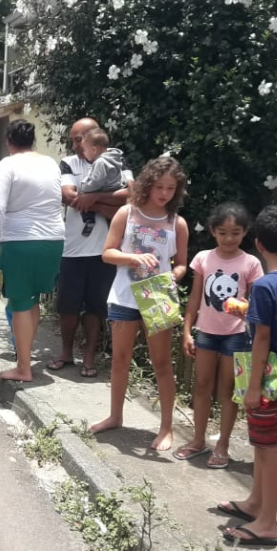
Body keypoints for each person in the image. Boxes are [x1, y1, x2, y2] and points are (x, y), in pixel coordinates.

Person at [217, 204, 277, 546]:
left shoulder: (265, 286)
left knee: (269, 450)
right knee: (262, 444)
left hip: (268, 382)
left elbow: (263, 338)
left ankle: (268, 522)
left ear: (258, 245)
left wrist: (253, 388)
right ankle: (256, 502)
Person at [89, 156, 189, 452]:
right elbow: (107, 253)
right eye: (159, 186)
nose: (164, 194)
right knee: (120, 360)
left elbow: (182, 265)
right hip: (124, 294)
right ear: (148, 184)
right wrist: (132, 257)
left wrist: (173, 276)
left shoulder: (177, 223)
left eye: (171, 188)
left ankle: (166, 427)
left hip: (158, 296)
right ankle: (115, 416)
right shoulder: (126, 213)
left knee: (161, 363)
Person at [177, 202, 262, 469]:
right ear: (213, 231)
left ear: (245, 232)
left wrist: (246, 309)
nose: (229, 238)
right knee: (201, 386)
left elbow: (259, 303)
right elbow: (195, 296)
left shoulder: (251, 263)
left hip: (236, 336)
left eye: (235, 233)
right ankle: (198, 440)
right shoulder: (203, 258)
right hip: (206, 333)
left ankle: (222, 444)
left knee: (227, 392)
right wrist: (187, 330)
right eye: (223, 232)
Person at [0, 119, 64, 383]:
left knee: (19, 303)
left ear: (9, 142)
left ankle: (23, 368)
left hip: (20, 241)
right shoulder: (50, 163)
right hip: (53, 240)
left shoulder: (9, 164)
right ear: (32, 141)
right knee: (33, 300)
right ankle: (26, 360)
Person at [50, 118, 128, 379]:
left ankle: (90, 356)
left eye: (78, 139)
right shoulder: (68, 163)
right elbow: (68, 196)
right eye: (73, 139)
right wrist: (106, 204)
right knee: (67, 307)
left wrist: (92, 198)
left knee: (96, 308)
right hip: (72, 248)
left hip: (104, 250)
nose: (74, 144)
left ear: (92, 137)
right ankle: (65, 353)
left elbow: (131, 196)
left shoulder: (117, 161)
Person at [77, 128, 126, 237]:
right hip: (117, 186)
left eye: (85, 150)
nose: (84, 153)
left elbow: (96, 181)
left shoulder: (100, 162)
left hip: (107, 188)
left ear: (93, 150)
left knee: (85, 198)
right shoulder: (115, 158)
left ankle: (89, 220)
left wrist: (84, 188)